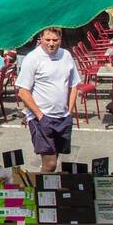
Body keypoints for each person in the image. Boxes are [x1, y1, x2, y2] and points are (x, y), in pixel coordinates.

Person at [16, 27, 80, 173]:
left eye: (55, 40)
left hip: (62, 116)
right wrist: (39, 115)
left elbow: (74, 85)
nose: (51, 44)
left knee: (55, 158)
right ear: (41, 38)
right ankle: (43, 192)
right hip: (41, 117)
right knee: (50, 163)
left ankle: (48, 189)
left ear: (60, 39)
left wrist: (69, 112)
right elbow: (23, 91)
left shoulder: (66, 55)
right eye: (48, 40)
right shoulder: (33, 58)